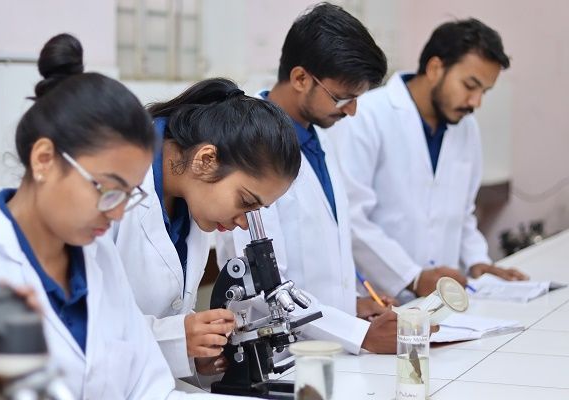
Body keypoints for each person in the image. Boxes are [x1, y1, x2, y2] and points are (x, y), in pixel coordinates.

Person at [0, 34, 252, 399]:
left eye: (130, 194)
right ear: (44, 160)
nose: (117, 212)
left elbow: (149, 388)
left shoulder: (97, 256)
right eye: (108, 190)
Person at [216, 2, 401, 355]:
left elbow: (322, 253)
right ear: (301, 78)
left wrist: (351, 303)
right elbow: (262, 285)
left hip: (333, 344)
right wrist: (358, 334)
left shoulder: (321, 135)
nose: (352, 111)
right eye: (343, 98)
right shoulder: (249, 147)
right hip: (285, 357)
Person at [112, 78, 301, 378]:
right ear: (206, 160)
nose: (243, 222)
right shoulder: (112, 186)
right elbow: (81, 323)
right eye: (245, 201)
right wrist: (177, 338)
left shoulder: (191, 198)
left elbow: (167, 309)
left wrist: (193, 350)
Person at [329, 18, 528, 300]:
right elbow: (351, 218)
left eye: (483, 91)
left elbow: (463, 213)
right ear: (435, 68)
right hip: (382, 299)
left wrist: (477, 260)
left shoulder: (466, 127)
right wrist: (412, 276)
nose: (476, 102)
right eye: (470, 85)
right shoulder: (368, 116)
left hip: (445, 299)